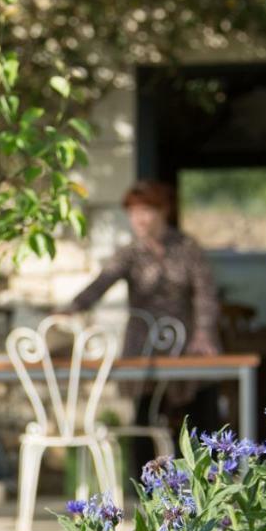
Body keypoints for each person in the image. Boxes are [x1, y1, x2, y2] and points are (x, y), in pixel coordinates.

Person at [66, 180, 223, 457]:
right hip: (144, 345)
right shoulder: (130, 253)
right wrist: (71, 307)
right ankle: (144, 487)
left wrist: (204, 335)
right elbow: (102, 282)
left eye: (146, 210)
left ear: (164, 211)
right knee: (145, 416)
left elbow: (205, 295)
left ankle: (208, 481)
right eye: (133, 211)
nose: (138, 218)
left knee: (199, 415)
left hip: (186, 343)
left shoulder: (187, 248)